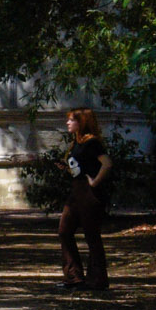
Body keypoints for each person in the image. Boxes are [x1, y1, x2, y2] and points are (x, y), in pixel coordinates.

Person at [56, 106, 114, 296]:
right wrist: (66, 168)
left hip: (89, 194)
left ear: (81, 122)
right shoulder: (76, 143)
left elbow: (106, 163)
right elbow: (80, 166)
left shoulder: (92, 142)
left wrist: (95, 181)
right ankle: (74, 277)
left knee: (92, 236)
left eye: (72, 120)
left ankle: (97, 280)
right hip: (76, 191)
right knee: (64, 231)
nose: (68, 123)